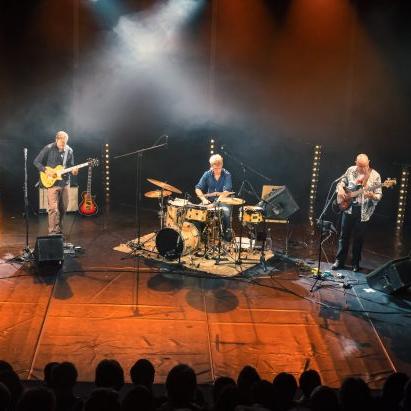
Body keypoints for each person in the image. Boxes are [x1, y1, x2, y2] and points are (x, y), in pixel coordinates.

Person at [332, 154, 382, 272]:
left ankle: (355, 263)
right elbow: (342, 181)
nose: (363, 168)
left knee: (358, 238)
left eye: (365, 165)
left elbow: (379, 195)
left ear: (369, 162)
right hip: (348, 208)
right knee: (343, 236)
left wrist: (372, 195)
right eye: (360, 166)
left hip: (363, 211)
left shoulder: (375, 175)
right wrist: (340, 188)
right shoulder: (350, 170)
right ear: (355, 163)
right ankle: (339, 260)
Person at [34, 131, 78, 235]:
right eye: (61, 143)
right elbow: (36, 162)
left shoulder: (69, 150)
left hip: (65, 183)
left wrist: (74, 171)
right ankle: (52, 232)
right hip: (52, 183)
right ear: (56, 140)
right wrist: (45, 170)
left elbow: (71, 166)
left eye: (65, 143)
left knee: (63, 208)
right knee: (53, 208)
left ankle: (59, 230)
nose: (63, 146)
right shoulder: (48, 148)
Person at [195, 154, 233, 241]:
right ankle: (201, 238)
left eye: (219, 167)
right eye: (215, 168)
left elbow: (226, 192)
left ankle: (226, 238)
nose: (217, 170)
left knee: (226, 213)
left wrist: (215, 204)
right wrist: (204, 199)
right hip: (209, 201)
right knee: (197, 212)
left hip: (223, 201)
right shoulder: (207, 174)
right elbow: (198, 188)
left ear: (222, 165)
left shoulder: (227, 174)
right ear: (211, 166)